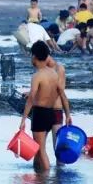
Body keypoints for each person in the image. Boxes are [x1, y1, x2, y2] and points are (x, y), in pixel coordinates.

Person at [19, 41, 72, 172]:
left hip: (40, 114)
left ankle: (46, 179)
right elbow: (63, 95)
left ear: (35, 57)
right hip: (50, 113)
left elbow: (31, 99)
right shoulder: (54, 74)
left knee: (40, 149)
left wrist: (23, 119)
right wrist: (68, 115)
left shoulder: (37, 76)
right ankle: (40, 175)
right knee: (41, 149)